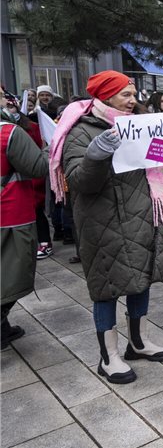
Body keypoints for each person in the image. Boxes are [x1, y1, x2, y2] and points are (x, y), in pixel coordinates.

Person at [52, 70, 163, 384]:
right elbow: (79, 182)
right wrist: (95, 156)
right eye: (126, 95)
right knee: (106, 288)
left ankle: (139, 342)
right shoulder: (82, 130)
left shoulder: (142, 125)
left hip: (144, 217)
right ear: (106, 96)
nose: (133, 101)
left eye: (134, 95)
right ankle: (109, 357)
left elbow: (160, 165)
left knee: (142, 280)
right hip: (103, 222)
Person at [1, 101, 48, 349]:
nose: (9, 101)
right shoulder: (8, 132)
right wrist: (49, 150)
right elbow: (38, 167)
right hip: (11, 215)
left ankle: (3, 327)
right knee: (14, 274)